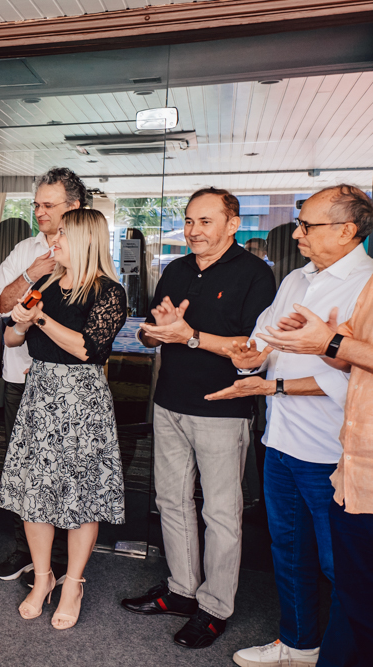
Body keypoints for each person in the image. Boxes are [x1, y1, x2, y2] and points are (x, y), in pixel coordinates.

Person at [206, 185, 372, 666]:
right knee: (289, 550)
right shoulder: (297, 278)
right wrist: (250, 359)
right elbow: (264, 340)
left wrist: (275, 385)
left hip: (332, 451)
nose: (296, 233)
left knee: (342, 568)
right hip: (280, 440)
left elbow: (352, 377)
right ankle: (298, 644)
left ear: (347, 230)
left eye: (307, 225)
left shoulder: (366, 285)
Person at [121, 187, 277, 649]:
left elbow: (253, 348)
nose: (193, 231)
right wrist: (156, 333)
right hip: (169, 402)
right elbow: (153, 334)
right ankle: (182, 591)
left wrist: (189, 336)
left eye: (205, 221)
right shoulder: (176, 269)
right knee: (170, 501)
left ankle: (214, 608)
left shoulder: (256, 275)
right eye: (189, 221)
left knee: (221, 513)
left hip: (222, 408)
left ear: (233, 225)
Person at [0, 208, 126, 630]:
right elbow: (12, 338)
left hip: (82, 401)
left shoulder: (109, 292)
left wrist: (39, 318)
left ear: (86, 240)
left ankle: (73, 583)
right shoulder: (47, 284)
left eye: (63, 234)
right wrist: (21, 322)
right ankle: (43, 577)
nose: (54, 239)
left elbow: (89, 349)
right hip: (40, 394)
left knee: (81, 495)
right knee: (34, 492)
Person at [0, 167, 86, 583]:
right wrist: (32, 272)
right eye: (36, 205)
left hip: (67, 385)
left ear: (74, 206)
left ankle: (60, 560)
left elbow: (91, 333)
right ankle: (25, 551)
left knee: (63, 469)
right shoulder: (25, 249)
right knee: (22, 469)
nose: (40, 212)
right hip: (21, 377)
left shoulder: (88, 255)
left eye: (49, 205)